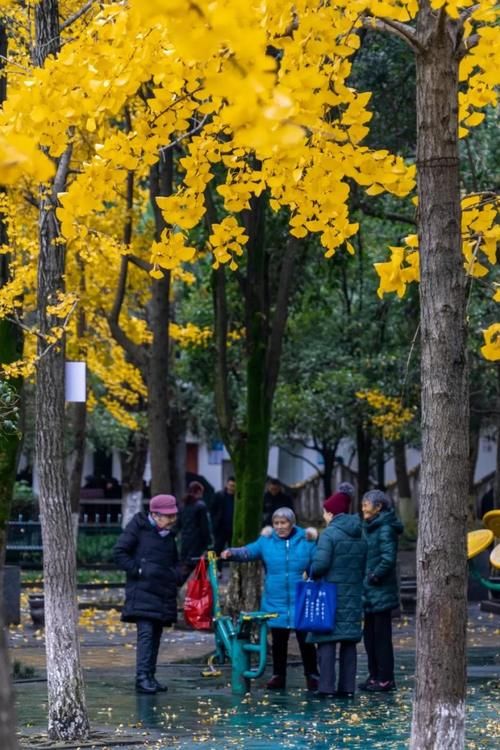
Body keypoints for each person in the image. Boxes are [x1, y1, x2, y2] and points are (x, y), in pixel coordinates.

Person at [221, 507, 319, 691]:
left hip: (301, 597)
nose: (280, 527)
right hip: (276, 597)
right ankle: (278, 675)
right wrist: (231, 553)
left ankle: (312, 675)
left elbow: (318, 562)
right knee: (279, 641)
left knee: (306, 640)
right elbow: (248, 551)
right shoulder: (266, 542)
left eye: (284, 523)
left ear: (292, 523)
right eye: (276, 523)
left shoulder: (306, 541)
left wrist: (312, 576)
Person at [114, 493, 187, 695]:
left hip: (162, 592)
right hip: (143, 592)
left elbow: (174, 561)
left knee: (155, 635)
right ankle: (142, 678)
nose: (172, 520)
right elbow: (119, 552)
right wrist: (139, 570)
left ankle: (150, 676)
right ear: (155, 515)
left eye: (173, 516)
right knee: (146, 635)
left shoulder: (168, 535)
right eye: (168, 516)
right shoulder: (138, 527)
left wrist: (175, 575)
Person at [308, 490, 367, 698]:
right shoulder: (360, 533)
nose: (324, 516)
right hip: (353, 593)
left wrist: (311, 569)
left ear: (331, 513)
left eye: (325, 512)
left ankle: (326, 687)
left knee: (327, 640)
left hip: (329, 594)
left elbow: (321, 564)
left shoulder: (329, 534)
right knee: (349, 641)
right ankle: (347, 688)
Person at [359, 489, 403, 693]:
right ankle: (374, 675)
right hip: (368, 591)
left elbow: (388, 558)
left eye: (367, 503)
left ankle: (386, 678)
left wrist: (374, 575)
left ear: (379, 507)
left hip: (380, 590)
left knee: (381, 637)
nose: (363, 506)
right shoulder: (369, 527)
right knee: (369, 637)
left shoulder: (385, 528)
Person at [178, 481, 212, 570]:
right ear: (198, 492)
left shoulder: (183, 506)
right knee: (197, 568)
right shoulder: (201, 506)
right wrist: (208, 542)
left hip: (185, 541)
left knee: (186, 566)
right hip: (197, 542)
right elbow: (204, 527)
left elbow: (179, 524)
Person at [211, 476, 236, 557]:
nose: (231, 488)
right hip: (220, 528)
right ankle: (214, 569)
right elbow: (212, 509)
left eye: (233, 486)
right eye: (230, 485)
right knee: (216, 549)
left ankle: (233, 569)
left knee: (233, 551)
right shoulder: (219, 495)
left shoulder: (238, 497)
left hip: (233, 528)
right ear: (227, 485)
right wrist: (214, 522)